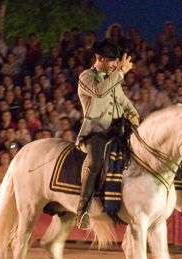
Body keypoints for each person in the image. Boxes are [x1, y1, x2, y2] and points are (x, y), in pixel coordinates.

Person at [75, 39, 139, 229]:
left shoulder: (113, 77)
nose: (114, 64)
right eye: (111, 61)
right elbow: (100, 92)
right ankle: (82, 210)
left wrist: (134, 114)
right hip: (95, 132)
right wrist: (120, 72)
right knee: (96, 163)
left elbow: (123, 100)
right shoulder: (86, 77)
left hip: (117, 130)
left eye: (115, 61)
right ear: (99, 58)